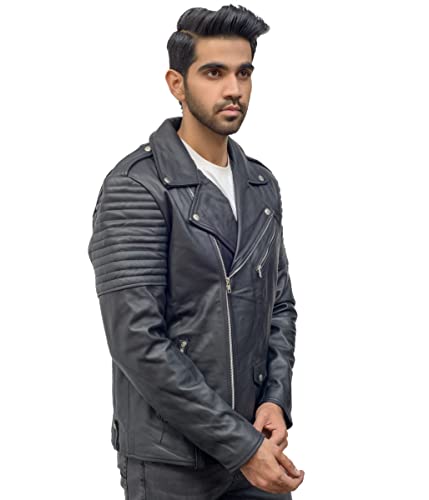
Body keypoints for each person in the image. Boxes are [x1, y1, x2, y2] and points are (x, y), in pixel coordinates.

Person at [87, 4, 305, 499]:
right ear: (177, 84)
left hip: (256, 447)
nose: (234, 89)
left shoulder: (260, 184)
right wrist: (240, 446)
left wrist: (275, 401)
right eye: (214, 73)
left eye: (244, 73)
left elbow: (280, 306)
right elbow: (137, 341)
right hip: (172, 463)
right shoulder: (136, 188)